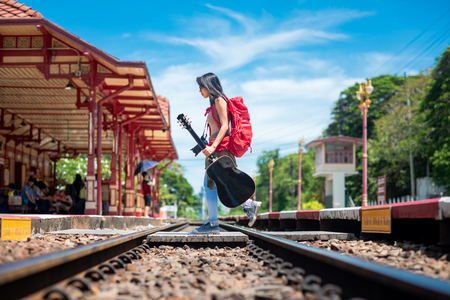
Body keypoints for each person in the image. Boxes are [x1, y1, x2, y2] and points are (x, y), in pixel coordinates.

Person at [192, 73, 261, 234]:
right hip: (217, 146)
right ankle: (247, 205)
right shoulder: (215, 102)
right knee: (221, 183)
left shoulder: (219, 100)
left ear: (208, 85)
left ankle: (213, 224)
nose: (199, 90)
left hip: (220, 147)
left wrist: (213, 146)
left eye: (201, 86)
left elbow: (225, 127)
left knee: (211, 184)